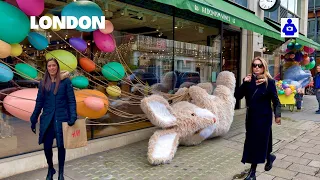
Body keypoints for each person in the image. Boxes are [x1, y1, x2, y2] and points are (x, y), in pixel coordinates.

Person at [234, 57, 281, 180]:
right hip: (251, 117)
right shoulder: (248, 81)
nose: (256, 68)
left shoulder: (269, 82)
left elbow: (276, 101)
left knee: (257, 143)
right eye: (254, 65)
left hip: (264, 118)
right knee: (255, 142)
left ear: (264, 67)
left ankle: (252, 173)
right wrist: (244, 82)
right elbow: (237, 96)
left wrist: (277, 115)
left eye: (259, 66)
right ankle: (269, 157)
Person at [30, 58, 77, 180]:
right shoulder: (43, 83)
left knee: (61, 146)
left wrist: (73, 116)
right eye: (49, 66)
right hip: (47, 120)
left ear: (57, 67)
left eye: (54, 65)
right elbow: (39, 102)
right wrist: (33, 119)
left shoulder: (65, 82)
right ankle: (51, 169)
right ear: (47, 68)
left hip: (62, 119)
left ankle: (61, 173)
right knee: (47, 147)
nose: (51, 68)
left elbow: (71, 100)